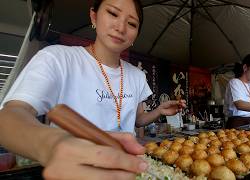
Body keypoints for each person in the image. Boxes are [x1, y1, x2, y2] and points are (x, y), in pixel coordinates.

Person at [0, 0, 186, 179]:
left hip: (127, 171)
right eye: (113, 13)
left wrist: (159, 110)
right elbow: (9, 118)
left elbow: (138, 119)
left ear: (136, 34)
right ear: (94, 16)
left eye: (131, 23)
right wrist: (50, 144)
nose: (120, 28)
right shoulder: (58, 58)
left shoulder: (137, 75)